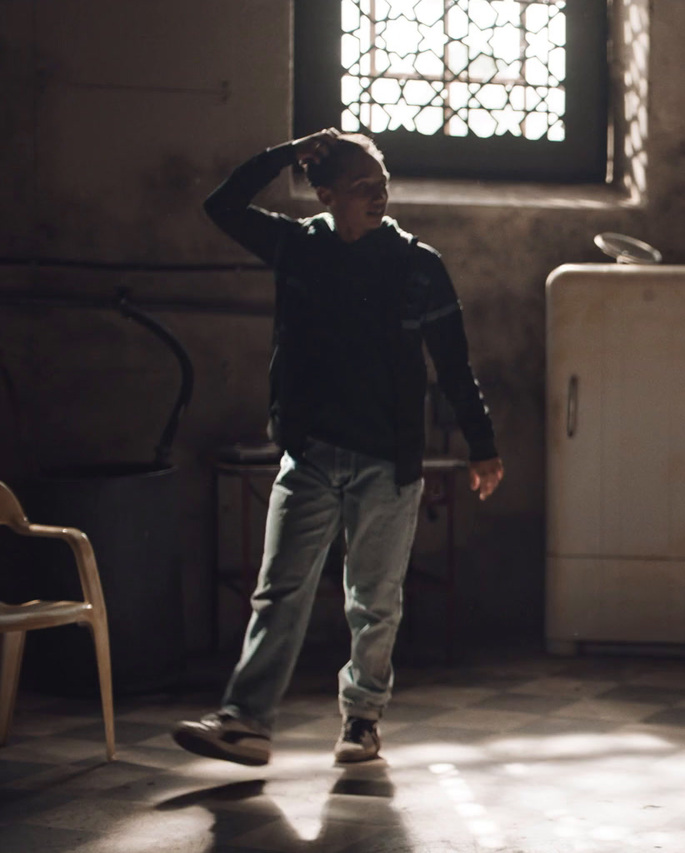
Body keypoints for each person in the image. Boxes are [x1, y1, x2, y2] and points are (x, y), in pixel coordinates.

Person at [172, 130, 505, 765]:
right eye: (362, 188)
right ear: (326, 195)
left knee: (374, 599)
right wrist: (284, 153)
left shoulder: (417, 265)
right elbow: (221, 206)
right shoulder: (299, 247)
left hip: (389, 461)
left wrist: (482, 445)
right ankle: (245, 723)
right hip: (311, 456)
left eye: (383, 185)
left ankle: (362, 722)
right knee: (280, 589)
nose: (378, 197)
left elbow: (455, 365)